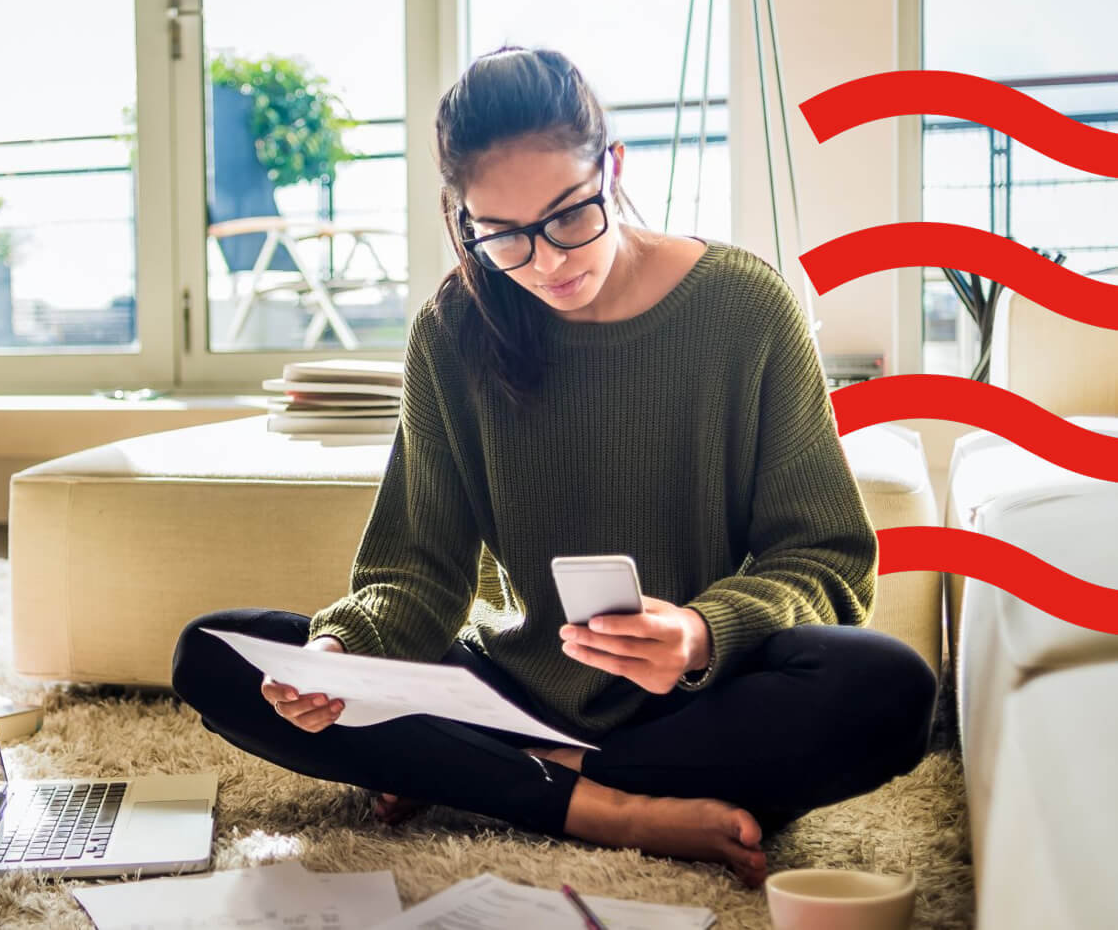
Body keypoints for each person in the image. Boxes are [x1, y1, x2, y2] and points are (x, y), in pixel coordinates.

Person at [172, 46, 937, 889]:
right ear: (462, 217)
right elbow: (418, 574)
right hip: (505, 692)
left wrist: (698, 634)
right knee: (214, 653)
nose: (546, 261)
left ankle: (499, 779)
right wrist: (339, 650)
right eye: (500, 235)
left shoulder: (746, 308)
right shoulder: (451, 333)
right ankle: (607, 807)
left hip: (692, 703)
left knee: (888, 687)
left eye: (570, 215)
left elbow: (824, 556)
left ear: (611, 166)